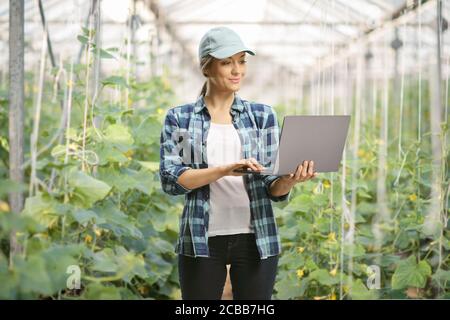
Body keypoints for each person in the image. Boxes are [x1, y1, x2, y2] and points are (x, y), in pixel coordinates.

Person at [159, 26, 317, 300]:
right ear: (206, 68)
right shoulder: (180, 119)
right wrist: (224, 170)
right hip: (200, 237)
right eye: (226, 62)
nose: (237, 70)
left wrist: (290, 179)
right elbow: (173, 179)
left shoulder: (261, 116)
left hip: (257, 237)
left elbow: (273, 188)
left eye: (242, 61)